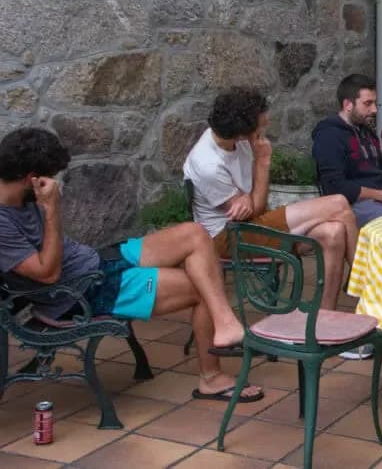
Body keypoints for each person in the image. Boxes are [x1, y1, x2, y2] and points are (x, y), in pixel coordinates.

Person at [0, 128, 264, 403]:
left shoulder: (21, 199)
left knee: (195, 233)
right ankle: (211, 378)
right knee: (205, 288)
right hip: (81, 291)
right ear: (31, 178)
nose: (53, 182)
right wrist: (52, 209)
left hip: (98, 262)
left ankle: (225, 323)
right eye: (49, 175)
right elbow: (48, 273)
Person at [183, 87, 357, 311]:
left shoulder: (236, 141)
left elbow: (255, 206)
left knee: (333, 233)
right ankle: (363, 280)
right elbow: (255, 209)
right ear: (242, 131)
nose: (266, 125)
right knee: (339, 203)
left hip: (250, 225)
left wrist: (249, 198)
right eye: (261, 125)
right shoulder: (208, 163)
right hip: (227, 238)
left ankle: (325, 319)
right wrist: (263, 161)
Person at [312, 74, 382, 227]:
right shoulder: (329, 135)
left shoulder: (367, 131)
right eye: (368, 103)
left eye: (375, 103)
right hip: (350, 204)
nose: (374, 109)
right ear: (348, 104)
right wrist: (381, 195)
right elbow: (335, 186)